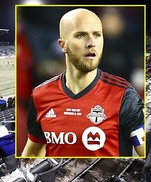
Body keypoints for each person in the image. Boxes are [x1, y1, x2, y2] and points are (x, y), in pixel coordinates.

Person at [21, 8, 144, 157]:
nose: (91, 43)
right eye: (80, 35)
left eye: (97, 35)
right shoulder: (40, 95)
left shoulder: (124, 96)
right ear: (62, 45)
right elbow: (32, 155)